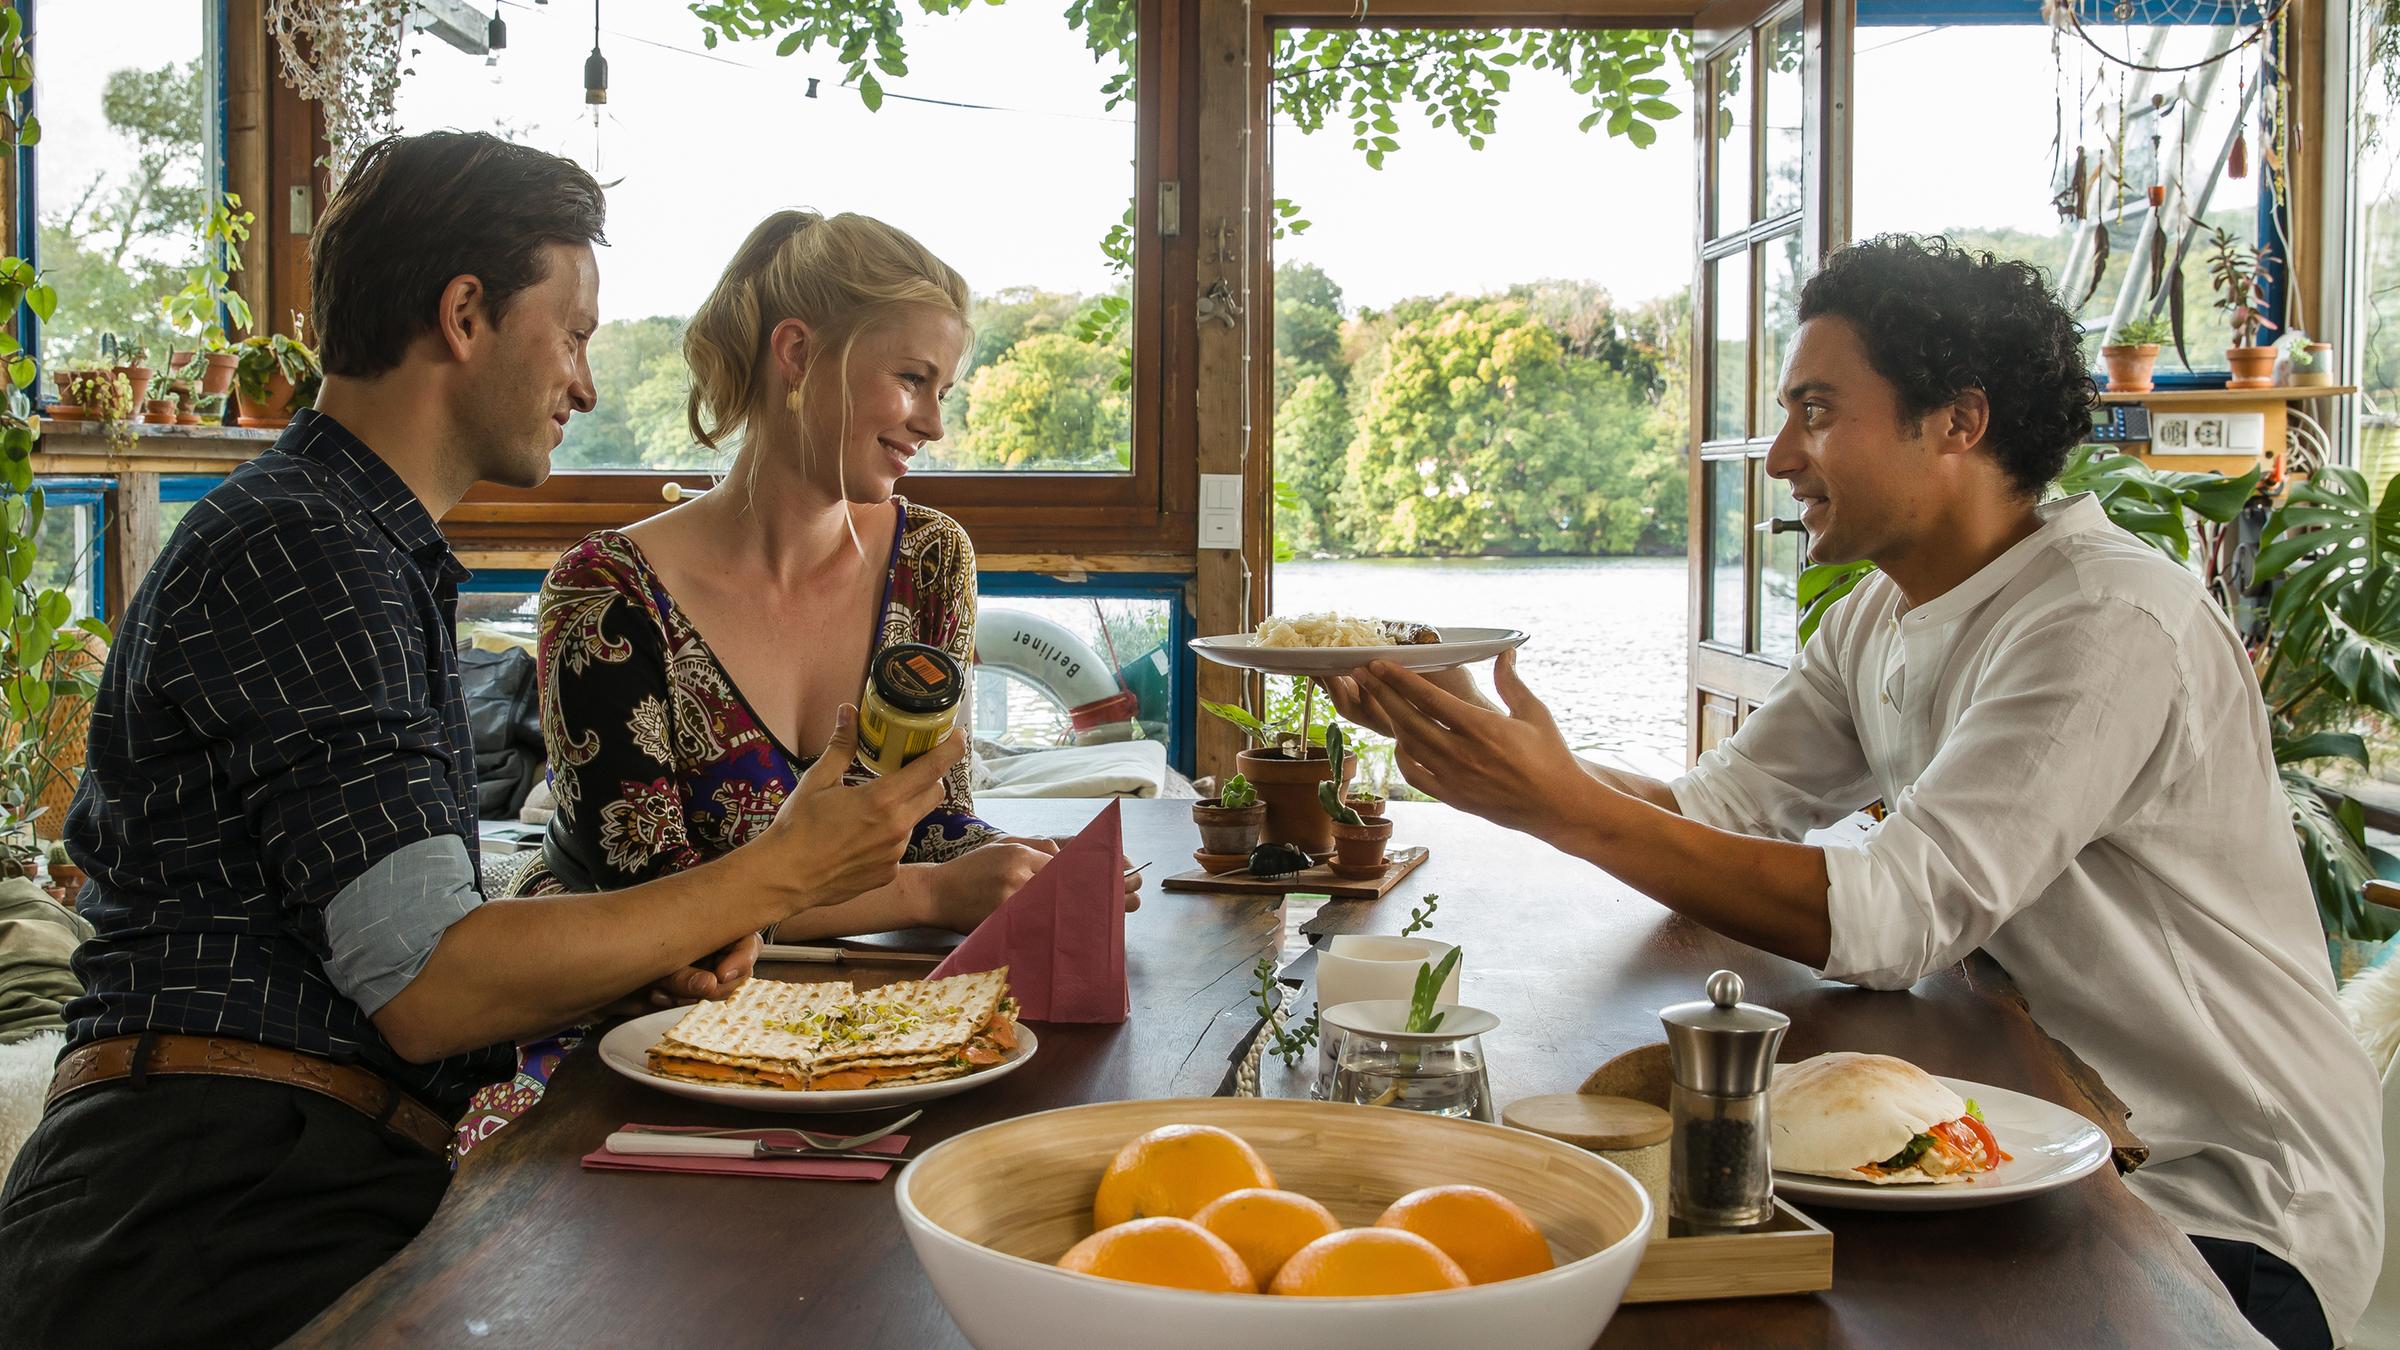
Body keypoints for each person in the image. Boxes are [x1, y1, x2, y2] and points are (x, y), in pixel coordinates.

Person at [1329, 235, 2381, 1348]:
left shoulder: (2102, 621)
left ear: (1959, 421)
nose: (1780, 455)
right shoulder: (1880, 613)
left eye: (1818, 411)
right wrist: (1487, 744)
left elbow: (1896, 918)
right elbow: (1715, 813)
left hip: (2225, 1200)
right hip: (2021, 1133)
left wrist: (1562, 806)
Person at [0, 133, 963, 1350]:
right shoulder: (309, 549)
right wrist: (780, 868)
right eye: (571, 333)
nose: (586, 383)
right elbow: (429, 985)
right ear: (465, 315)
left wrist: (637, 951)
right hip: (206, 1211)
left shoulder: (354, 539)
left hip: (288, 1173)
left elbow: (409, 930)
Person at [506, 210, 1142, 934]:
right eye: (912, 379)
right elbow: (652, 897)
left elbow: (933, 817)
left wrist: (1022, 864)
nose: (933, 424)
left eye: (945, 393)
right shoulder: (605, 593)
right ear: (799, 353)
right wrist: (932, 896)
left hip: (842, 1003)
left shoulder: (930, 560)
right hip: (617, 1011)